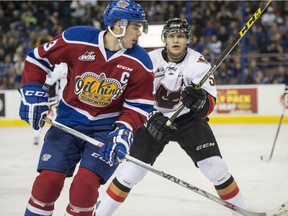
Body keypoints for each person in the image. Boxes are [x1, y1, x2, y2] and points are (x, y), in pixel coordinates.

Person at [96, 18, 245, 216]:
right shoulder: (148, 60)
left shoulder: (198, 63)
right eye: (172, 36)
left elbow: (209, 106)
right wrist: (149, 117)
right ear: (165, 39)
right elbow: (134, 97)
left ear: (187, 40)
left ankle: (241, 212)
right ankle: (101, 213)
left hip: (187, 121)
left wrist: (200, 102)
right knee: (130, 174)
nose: (176, 40)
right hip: (152, 118)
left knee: (217, 169)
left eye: (181, 36)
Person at [18, 0, 154, 215]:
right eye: (136, 27)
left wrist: (124, 129)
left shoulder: (141, 61)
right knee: (47, 184)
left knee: (84, 189)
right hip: (67, 123)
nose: (139, 34)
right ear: (119, 25)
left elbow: (140, 104)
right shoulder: (77, 38)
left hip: (105, 132)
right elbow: (38, 58)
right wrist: (32, 90)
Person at [33, 63, 68, 145]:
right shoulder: (58, 68)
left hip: (57, 99)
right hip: (53, 99)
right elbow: (48, 83)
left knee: (56, 118)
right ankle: (37, 135)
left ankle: (58, 136)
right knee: (43, 116)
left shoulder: (62, 67)